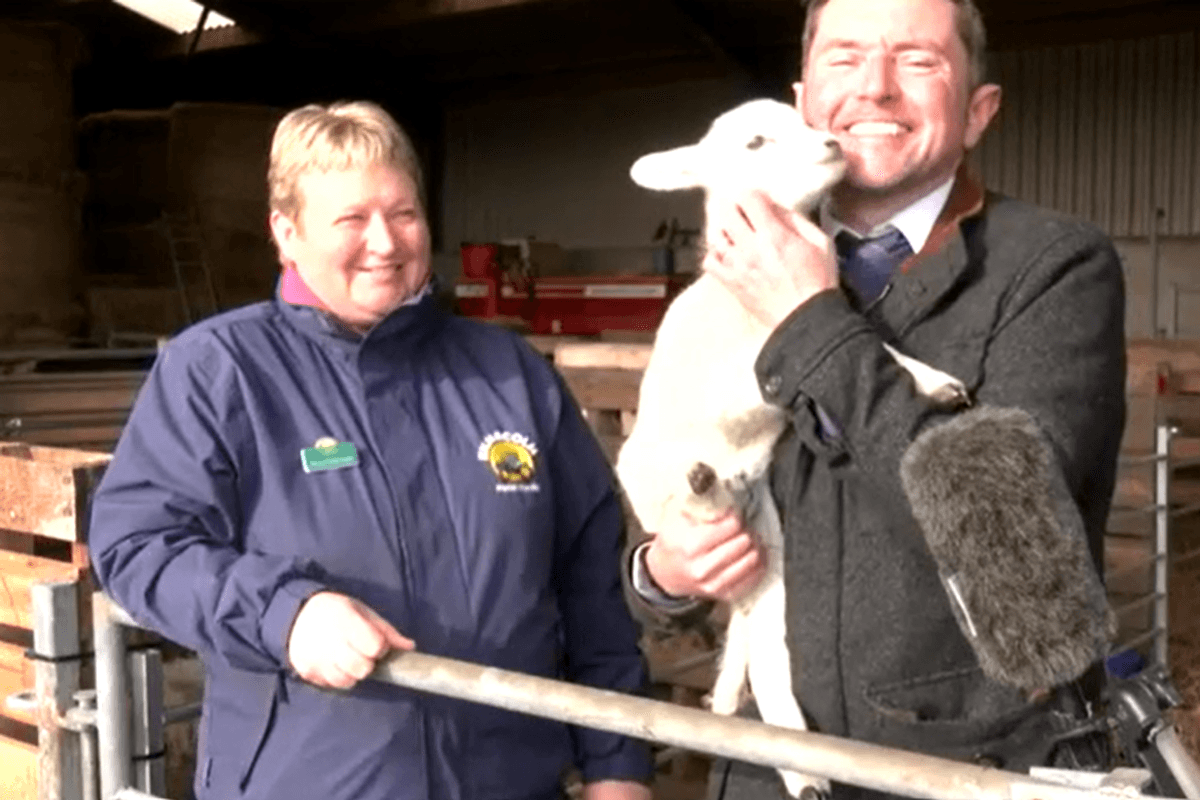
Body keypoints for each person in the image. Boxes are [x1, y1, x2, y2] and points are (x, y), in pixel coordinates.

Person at [626, 0, 1126, 798]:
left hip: (956, 770)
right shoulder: (724, 287)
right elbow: (673, 468)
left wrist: (808, 323)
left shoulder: (1052, 270)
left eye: (918, 61)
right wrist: (664, 575)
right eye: (846, 57)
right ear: (801, 104)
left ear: (977, 111)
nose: (876, 89)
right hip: (766, 765)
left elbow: (1012, 547)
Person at [88, 101, 654, 800]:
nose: (385, 243)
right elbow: (139, 545)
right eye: (352, 220)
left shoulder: (509, 375)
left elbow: (588, 579)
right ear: (286, 234)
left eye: (405, 214)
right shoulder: (221, 370)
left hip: (512, 780)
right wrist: (283, 614)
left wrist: (618, 764)